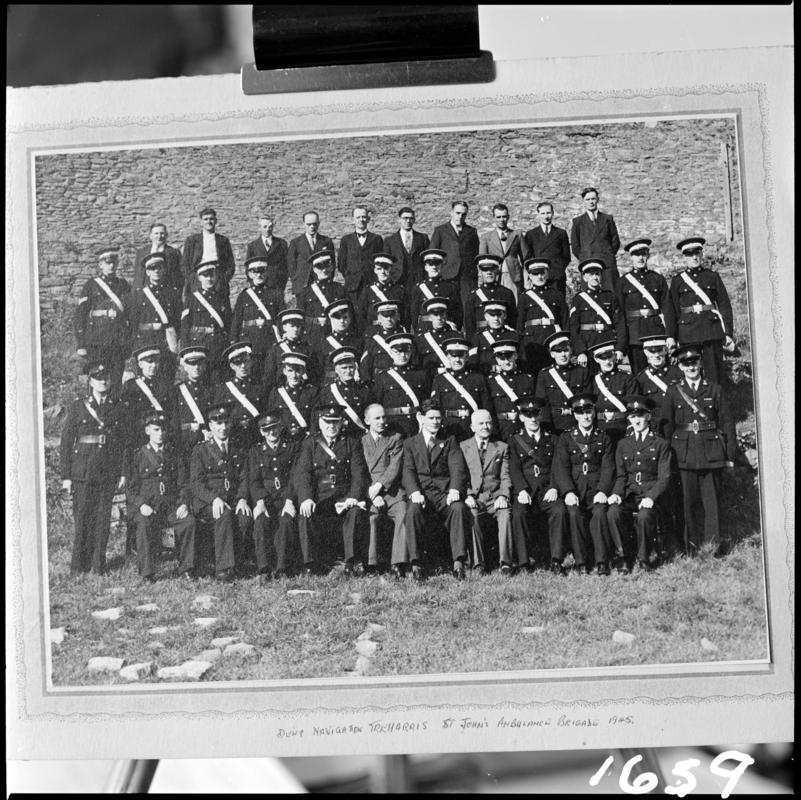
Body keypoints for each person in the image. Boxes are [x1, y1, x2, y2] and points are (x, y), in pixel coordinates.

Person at [662, 343, 737, 556]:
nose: (691, 366)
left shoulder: (714, 389)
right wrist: (667, 458)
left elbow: (727, 423)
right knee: (688, 502)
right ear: (681, 367)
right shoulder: (674, 391)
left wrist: (730, 455)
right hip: (683, 454)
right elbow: (667, 427)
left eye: (694, 362)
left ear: (700, 363)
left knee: (711, 502)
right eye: (686, 363)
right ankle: (692, 547)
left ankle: (713, 545)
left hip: (711, 452)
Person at [59, 361, 126, 575]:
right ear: (90, 381)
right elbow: (66, 442)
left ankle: (99, 565)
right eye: (98, 378)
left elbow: (124, 443)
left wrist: (123, 472)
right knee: (83, 518)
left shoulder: (118, 406)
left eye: (106, 377)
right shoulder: (79, 406)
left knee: (102, 519)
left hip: (107, 470)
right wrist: (66, 476)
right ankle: (78, 566)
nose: (103, 381)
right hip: (83, 471)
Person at [294, 403, 370, 575]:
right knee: (305, 513)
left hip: (344, 496)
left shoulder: (351, 443)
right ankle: (310, 564)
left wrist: (354, 497)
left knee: (356, 512)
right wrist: (306, 498)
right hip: (320, 497)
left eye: (335, 422)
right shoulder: (310, 444)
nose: (331, 426)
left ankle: (350, 562)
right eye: (327, 421)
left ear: (342, 422)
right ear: (320, 422)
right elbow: (303, 474)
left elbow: (359, 473)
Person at [402, 400, 472, 580]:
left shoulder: (449, 441)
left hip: (444, 494)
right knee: (412, 511)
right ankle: (416, 563)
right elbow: (408, 470)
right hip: (422, 493)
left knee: (459, 508)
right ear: (421, 418)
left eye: (438, 418)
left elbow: (458, 467)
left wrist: (455, 489)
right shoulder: (410, 443)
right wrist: (414, 492)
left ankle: (458, 562)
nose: (435, 422)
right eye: (431, 418)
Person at [126, 411, 195, 581]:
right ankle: (148, 572)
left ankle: (186, 567)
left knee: (188, 522)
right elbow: (130, 489)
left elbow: (183, 484)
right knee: (143, 523)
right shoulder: (138, 456)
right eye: (156, 430)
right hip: (148, 507)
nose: (160, 434)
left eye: (163, 430)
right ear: (147, 431)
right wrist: (141, 505)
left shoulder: (174, 454)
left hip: (170, 507)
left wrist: (184, 504)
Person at [553, 392, 616, 574]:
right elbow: (561, 468)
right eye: (580, 413)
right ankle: (581, 562)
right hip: (576, 489)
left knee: (599, 513)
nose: (585, 416)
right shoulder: (566, 438)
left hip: (596, 489)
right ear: (575, 415)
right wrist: (568, 492)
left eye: (588, 411)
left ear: (594, 413)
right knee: (574, 514)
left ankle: (602, 561)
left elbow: (608, 467)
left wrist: (603, 490)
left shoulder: (604, 437)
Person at [607, 396, 672, 572]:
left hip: (651, 495)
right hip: (630, 494)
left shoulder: (660, 443)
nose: (637, 420)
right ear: (629, 419)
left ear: (649, 417)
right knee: (613, 512)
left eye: (641, 415)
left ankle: (644, 558)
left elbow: (664, 477)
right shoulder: (623, 444)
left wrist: (651, 497)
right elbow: (621, 476)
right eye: (633, 416)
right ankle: (623, 556)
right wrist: (616, 494)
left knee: (644, 515)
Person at [189, 401, 251, 581]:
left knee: (244, 518)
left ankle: (240, 563)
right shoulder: (200, 450)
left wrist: (242, 499)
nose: (223, 427)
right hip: (209, 502)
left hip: (232, 499)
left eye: (226, 423)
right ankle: (223, 569)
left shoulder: (239, 449)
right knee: (223, 514)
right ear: (210, 426)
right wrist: (214, 499)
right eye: (218, 423)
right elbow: (196, 483)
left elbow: (243, 477)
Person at [665, 236, 735, 385]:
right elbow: (672, 311)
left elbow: (724, 305)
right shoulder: (678, 281)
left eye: (697, 253)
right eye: (690, 254)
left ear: (702, 254)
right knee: (691, 374)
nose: (694, 257)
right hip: (688, 334)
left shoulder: (712, 276)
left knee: (715, 376)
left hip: (711, 332)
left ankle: (716, 406)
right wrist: (671, 335)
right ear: (684, 257)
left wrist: (728, 333)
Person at [508, 396, 566, 573]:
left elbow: (559, 465)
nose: (532, 419)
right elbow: (514, 468)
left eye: (535, 414)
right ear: (521, 417)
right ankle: (524, 562)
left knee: (559, 511)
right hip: (526, 489)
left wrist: (555, 487)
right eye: (527, 414)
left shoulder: (553, 439)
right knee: (518, 514)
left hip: (548, 488)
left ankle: (556, 560)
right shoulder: (515, 440)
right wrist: (521, 490)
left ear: (540, 415)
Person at [247, 411, 301, 580]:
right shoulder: (255, 452)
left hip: (286, 496)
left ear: (280, 427)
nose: (272, 432)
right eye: (267, 429)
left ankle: (282, 567)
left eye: (275, 427)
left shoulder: (292, 447)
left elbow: (295, 476)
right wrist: (260, 501)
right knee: (261, 521)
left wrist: (290, 500)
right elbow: (254, 481)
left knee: (286, 521)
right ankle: (263, 568)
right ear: (262, 432)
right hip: (267, 498)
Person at [460, 408, 513, 575]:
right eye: (481, 423)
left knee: (505, 514)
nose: (485, 426)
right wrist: (467, 494)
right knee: (472, 516)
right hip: (474, 497)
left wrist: (503, 495)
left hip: (495, 497)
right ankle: (478, 564)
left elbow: (505, 476)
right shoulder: (463, 447)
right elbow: (460, 475)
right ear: (472, 427)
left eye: (488, 422)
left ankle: (506, 563)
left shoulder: (501, 447)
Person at [361, 404, 409, 575]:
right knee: (372, 517)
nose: (382, 421)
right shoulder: (361, 441)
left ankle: (398, 562)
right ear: (367, 421)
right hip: (370, 493)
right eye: (377, 418)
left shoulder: (395, 438)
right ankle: (372, 563)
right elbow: (361, 471)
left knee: (402, 512)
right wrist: (372, 494)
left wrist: (380, 486)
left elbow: (395, 467)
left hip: (392, 490)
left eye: (384, 417)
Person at [73, 246, 131, 388]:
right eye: (107, 263)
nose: (111, 266)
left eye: (114, 263)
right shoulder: (91, 285)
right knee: (98, 376)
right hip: (96, 340)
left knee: (116, 377)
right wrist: (81, 343)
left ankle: (114, 407)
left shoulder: (123, 285)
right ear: (100, 265)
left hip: (118, 341)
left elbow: (130, 314)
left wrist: (129, 340)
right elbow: (80, 315)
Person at [617, 238, 673, 374]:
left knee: (663, 372)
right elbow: (620, 315)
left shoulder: (657, 279)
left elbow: (668, 308)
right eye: (637, 254)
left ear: (647, 255)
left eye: (643, 254)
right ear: (631, 257)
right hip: (635, 335)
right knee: (640, 374)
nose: (640, 258)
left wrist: (670, 335)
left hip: (656, 332)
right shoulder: (623, 282)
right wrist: (622, 343)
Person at [127, 252, 181, 382]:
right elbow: (133, 323)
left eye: (160, 267)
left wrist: (174, 342)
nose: (156, 271)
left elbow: (177, 320)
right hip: (144, 342)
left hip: (164, 342)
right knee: (145, 380)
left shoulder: (172, 294)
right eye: (152, 268)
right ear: (147, 272)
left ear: (164, 270)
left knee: (166, 379)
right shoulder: (138, 295)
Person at [430, 336, 493, 441]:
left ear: (467, 356)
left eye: (461, 356)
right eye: (453, 356)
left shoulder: (478, 378)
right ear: (448, 357)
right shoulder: (439, 380)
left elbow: (487, 407)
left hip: (472, 430)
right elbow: (435, 408)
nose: (457, 360)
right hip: (448, 430)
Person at [179, 259, 232, 383]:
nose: (209, 279)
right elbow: (185, 326)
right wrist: (185, 350)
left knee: (218, 379)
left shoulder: (222, 298)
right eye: (205, 275)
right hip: (199, 345)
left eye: (212, 275)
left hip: (219, 347)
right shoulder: (191, 299)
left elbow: (229, 324)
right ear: (199, 277)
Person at [368, 333, 430, 438]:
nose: (403, 356)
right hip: (393, 427)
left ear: (411, 352)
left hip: (415, 425)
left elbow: (426, 401)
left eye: (406, 352)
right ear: (391, 353)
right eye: (398, 352)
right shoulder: (383, 377)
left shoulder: (421, 375)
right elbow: (377, 404)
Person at [568, 259, 626, 370]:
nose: (595, 277)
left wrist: (620, 348)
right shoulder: (579, 299)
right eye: (591, 274)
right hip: (588, 345)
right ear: (585, 278)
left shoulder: (610, 296)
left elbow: (620, 324)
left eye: (597, 274)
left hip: (608, 342)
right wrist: (580, 351)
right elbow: (574, 328)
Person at [230, 256, 281, 381]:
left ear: (267, 272)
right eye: (254, 271)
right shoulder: (244, 295)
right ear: (249, 274)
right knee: (251, 376)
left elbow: (280, 318)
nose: (259, 275)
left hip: (269, 342)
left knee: (269, 376)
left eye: (262, 271)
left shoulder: (276, 294)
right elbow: (236, 320)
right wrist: (234, 341)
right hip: (249, 342)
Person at [516, 258, 569, 378]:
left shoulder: (557, 295)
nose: (539, 277)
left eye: (542, 273)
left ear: (547, 273)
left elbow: (565, 320)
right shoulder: (524, 297)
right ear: (529, 275)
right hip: (532, 341)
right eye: (535, 273)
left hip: (552, 338)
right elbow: (519, 324)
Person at [533, 331, 591, 435]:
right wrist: (547, 428)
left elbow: (587, 402)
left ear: (571, 351)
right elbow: (543, 405)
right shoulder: (545, 374)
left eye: (565, 350)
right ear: (552, 354)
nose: (563, 355)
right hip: (555, 427)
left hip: (578, 424)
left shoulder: (582, 372)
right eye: (558, 351)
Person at [429, 200, 481, 314]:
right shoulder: (440, 230)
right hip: (447, 275)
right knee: (449, 307)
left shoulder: (471, 231)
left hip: (467, 276)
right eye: (457, 213)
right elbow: (433, 254)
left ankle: (468, 332)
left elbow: (476, 253)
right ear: (451, 213)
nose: (460, 217)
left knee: (468, 306)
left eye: (463, 214)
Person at [214, 341, 264, 451]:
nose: (243, 366)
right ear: (232, 366)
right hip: (234, 438)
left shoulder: (259, 387)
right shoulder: (224, 389)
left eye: (246, 361)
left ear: (251, 362)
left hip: (256, 437)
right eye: (238, 363)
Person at [587, 339, 639, 445]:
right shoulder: (593, 380)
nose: (607, 361)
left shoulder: (627, 378)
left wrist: (630, 428)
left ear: (614, 356)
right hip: (600, 428)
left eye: (609, 356)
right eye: (603, 358)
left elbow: (633, 407)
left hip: (622, 428)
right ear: (596, 359)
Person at [569, 187, 621, 292]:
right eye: (588, 199)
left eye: (593, 199)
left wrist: (607, 253)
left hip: (607, 264)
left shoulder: (607, 219)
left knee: (612, 294)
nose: (591, 202)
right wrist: (586, 256)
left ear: (598, 199)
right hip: (589, 264)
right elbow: (575, 246)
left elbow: (615, 242)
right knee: (590, 297)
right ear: (583, 201)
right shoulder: (578, 222)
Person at [172, 345, 214, 468]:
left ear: (205, 365)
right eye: (191, 364)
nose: (196, 367)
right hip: (186, 442)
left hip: (206, 441)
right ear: (184, 366)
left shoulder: (211, 390)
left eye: (200, 363)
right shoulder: (177, 391)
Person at [487, 338, 535, 441]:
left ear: (516, 356)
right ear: (497, 360)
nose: (506, 361)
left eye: (509, 357)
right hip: (500, 430)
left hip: (522, 428)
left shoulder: (527, 379)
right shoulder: (491, 381)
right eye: (502, 358)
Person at [634, 334, 683, 436]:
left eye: (659, 350)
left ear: (665, 350)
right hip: (656, 427)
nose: (656, 355)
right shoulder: (641, 378)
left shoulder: (678, 373)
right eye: (652, 351)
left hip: (678, 423)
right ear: (645, 352)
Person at [317, 346, 371, 438]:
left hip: (358, 437)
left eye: (351, 367)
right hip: (336, 438)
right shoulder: (327, 391)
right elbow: (318, 417)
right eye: (344, 368)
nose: (348, 371)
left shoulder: (364, 390)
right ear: (336, 370)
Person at [181, 207, 236, 297]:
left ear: (215, 221)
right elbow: (184, 264)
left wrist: (223, 279)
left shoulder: (223, 240)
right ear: (201, 222)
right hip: (198, 280)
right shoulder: (192, 240)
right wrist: (193, 279)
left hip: (218, 281)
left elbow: (230, 264)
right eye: (205, 219)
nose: (208, 222)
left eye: (211, 219)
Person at [266, 351, 320, 441]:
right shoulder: (277, 392)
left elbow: (314, 421)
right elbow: (271, 419)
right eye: (290, 371)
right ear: (284, 371)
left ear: (303, 371)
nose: (294, 375)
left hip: (304, 441)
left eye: (298, 370)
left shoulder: (312, 392)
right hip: (283, 440)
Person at [337, 207, 385, 308]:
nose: (361, 220)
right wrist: (351, 275)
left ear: (368, 219)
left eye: (364, 217)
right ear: (353, 220)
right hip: (352, 286)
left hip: (371, 283)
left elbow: (381, 261)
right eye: (358, 217)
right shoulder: (346, 240)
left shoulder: (376, 239)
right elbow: (341, 263)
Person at [478, 203, 527, 299]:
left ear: (508, 217)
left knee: (514, 302)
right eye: (498, 217)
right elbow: (482, 261)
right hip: (495, 276)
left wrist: (526, 280)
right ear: (494, 218)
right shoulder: (486, 237)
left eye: (504, 217)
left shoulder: (517, 235)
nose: (501, 220)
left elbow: (525, 258)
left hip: (513, 276)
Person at [309, 299, 364, 384]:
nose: (342, 321)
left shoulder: (358, 342)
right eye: (337, 318)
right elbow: (317, 370)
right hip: (330, 386)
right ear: (331, 320)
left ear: (350, 319)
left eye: (345, 317)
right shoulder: (323, 344)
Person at [286, 210, 336, 303]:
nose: (312, 227)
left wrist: (327, 278)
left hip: (322, 283)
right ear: (304, 224)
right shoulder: (296, 243)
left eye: (314, 224)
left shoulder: (326, 241)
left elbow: (332, 263)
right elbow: (291, 265)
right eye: (309, 224)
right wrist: (297, 280)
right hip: (303, 285)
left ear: (319, 223)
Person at [408, 248, 462, 332]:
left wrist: (453, 328)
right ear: (426, 267)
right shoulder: (418, 288)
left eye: (437, 263)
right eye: (430, 264)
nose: (434, 267)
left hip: (446, 330)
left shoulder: (451, 287)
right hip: (425, 331)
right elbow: (414, 315)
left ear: (441, 265)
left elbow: (458, 314)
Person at [523, 202, 571, 297]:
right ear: (538, 215)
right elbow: (528, 257)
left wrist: (558, 270)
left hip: (556, 278)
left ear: (553, 213)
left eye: (548, 213)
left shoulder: (561, 233)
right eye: (543, 213)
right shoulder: (531, 234)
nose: (546, 216)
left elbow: (566, 257)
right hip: (539, 277)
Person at [463, 254, 517, 338]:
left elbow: (513, 322)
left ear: (497, 270)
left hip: (503, 339)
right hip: (481, 341)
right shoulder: (473, 296)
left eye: (492, 268)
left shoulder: (507, 293)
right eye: (485, 269)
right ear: (480, 272)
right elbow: (469, 326)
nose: (489, 272)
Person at [262, 309, 313, 393]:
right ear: (284, 327)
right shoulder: (275, 350)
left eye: (298, 326)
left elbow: (313, 376)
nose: (295, 329)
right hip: (282, 396)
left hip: (303, 394)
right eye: (292, 326)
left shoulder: (307, 349)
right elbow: (269, 378)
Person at [245, 214, 289, 310]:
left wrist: (281, 283)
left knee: (277, 310)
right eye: (265, 227)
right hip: (260, 284)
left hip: (276, 285)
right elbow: (248, 268)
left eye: (270, 226)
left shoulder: (282, 244)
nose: (268, 229)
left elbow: (286, 266)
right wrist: (253, 284)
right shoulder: (253, 246)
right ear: (259, 228)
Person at [296, 249, 346, 332]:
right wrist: (315, 321)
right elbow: (300, 317)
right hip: (313, 333)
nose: (324, 270)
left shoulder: (339, 288)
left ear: (332, 267)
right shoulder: (306, 292)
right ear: (314, 269)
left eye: (327, 266)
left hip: (334, 331)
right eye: (320, 267)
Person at [356, 252, 406, 331]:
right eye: (379, 269)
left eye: (386, 268)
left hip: (395, 332)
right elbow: (361, 316)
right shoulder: (368, 291)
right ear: (375, 270)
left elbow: (405, 316)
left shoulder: (399, 290)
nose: (382, 272)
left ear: (391, 269)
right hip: (374, 334)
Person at [383, 206, 430, 290]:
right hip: (397, 281)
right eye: (405, 218)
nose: (408, 221)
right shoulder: (389, 241)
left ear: (414, 220)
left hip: (419, 281)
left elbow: (427, 260)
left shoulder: (423, 238)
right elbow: (386, 263)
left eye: (411, 218)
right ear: (399, 220)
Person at [468, 299, 518, 375]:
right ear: (486, 317)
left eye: (499, 315)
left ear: (505, 316)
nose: (496, 319)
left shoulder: (514, 336)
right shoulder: (478, 337)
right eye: (492, 315)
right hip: (487, 378)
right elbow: (473, 363)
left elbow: (521, 361)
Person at [360, 300, 408, 378]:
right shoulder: (373, 340)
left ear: (398, 316)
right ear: (379, 318)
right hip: (380, 382)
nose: (389, 319)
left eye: (392, 315)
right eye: (385, 316)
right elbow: (365, 365)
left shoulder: (405, 336)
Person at [414, 297, 459, 379]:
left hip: (452, 379)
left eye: (442, 314)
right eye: (435, 314)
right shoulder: (421, 339)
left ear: (446, 315)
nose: (439, 318)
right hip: (430, 378)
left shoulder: (455, 336)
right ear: (430, 316)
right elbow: (417, 365)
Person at [133, 222, 184, 293]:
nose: (159, 236)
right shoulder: (142, 252)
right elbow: (139, 275)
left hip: (167, 292)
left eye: (162, 233)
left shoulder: (174, 253)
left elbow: (178, 276)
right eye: (156, 233)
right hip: (147, 292)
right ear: (151, 236)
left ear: (166, 235)